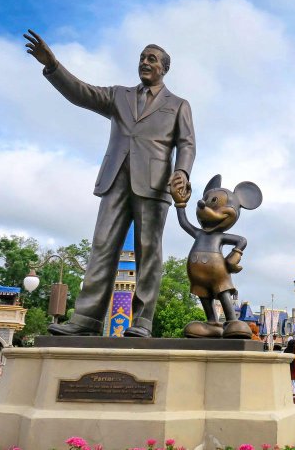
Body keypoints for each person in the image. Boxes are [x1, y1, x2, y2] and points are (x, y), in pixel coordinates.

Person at [25, 30, 196, 338]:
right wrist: (53, 66)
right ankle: (86, 319)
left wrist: (182, 172)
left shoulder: (179, 104)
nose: (145, 62)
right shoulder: (119, 95)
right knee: (102, 247)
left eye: (152, 58)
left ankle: (142, 321)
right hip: (115, 180)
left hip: (156, 185)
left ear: (164, 68)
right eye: (142, 57)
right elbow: (82, 92)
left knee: (149, 252)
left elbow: (187, 144)